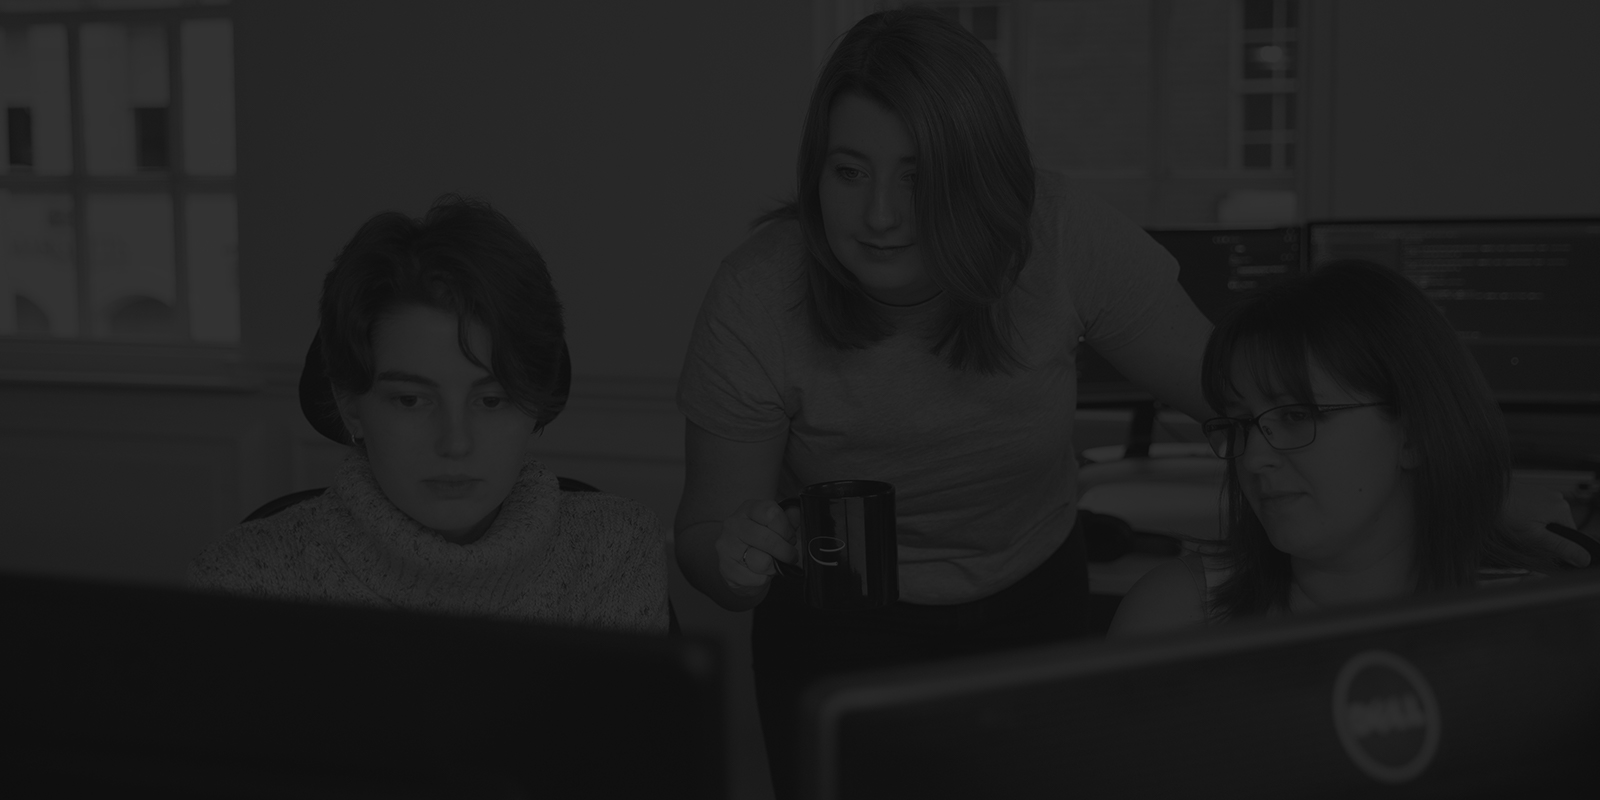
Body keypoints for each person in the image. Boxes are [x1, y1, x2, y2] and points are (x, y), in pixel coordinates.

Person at [672, 8, 1583, 797]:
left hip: (1029, 593)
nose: (877, 215)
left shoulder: (1062, 237)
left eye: (917, 175)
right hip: (841, 624)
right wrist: (738, 557)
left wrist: (1487, 493)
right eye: (848, 171)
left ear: (981, 174)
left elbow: (1242, 399)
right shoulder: (761, 295)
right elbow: (707, 536)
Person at [189, 195, 668, 636]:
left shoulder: (614, 551)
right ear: (350, 405)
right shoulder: (244, 581)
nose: (455, 443)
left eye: (492, 400)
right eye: (411, 400)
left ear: (539, 401)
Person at [1108, 260, 1565, 638]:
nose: (1252, 458)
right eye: (1243, 423)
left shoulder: (1540, 627)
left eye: (1297, 415)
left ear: (1416, 435)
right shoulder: (1175, 617)